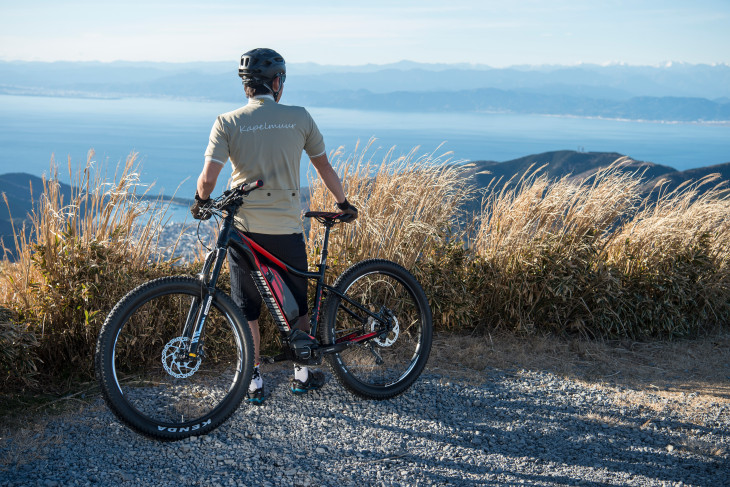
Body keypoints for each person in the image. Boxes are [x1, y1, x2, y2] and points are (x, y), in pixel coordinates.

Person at [190, 48, 357, 405]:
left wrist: (201, 202)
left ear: (246, 86)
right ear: (277, 82)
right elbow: (325, 168)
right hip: (286, 228)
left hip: (245, 231)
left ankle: (253, 381)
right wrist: (344, 205)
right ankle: (302, 373)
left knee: (246, 307)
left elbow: (207, 181)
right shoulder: (299, 117)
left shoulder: (227, 121)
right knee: (296, 305)